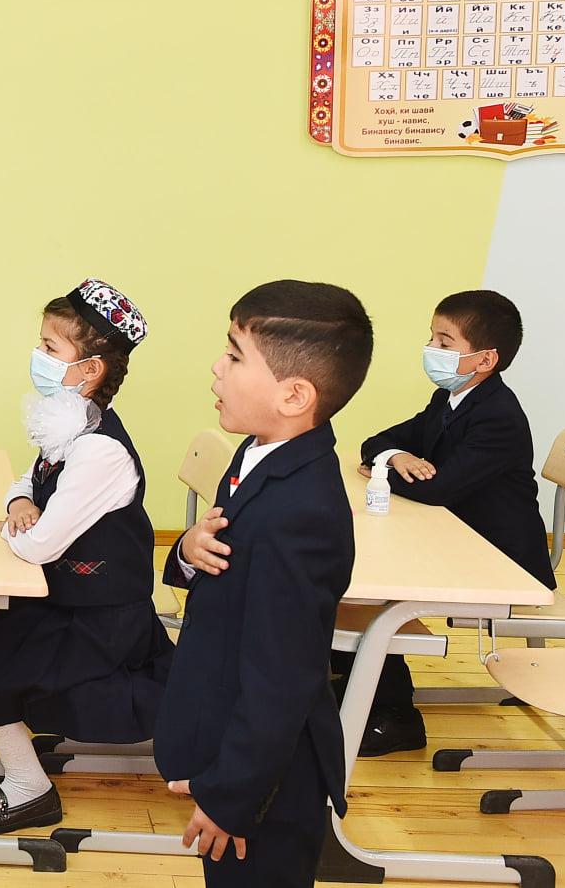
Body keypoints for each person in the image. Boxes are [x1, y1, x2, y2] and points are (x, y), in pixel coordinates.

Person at [0, 280, 172, 833]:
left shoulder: (100, 450)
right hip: (65, 595)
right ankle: (17, 762)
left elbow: (40, 544)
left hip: (98, 618)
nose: (38, 355)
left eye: (50, 347)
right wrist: (19, 503)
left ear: (90, 370)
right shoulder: (69, 422)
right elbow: (28, 480)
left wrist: (15, 529)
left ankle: (28, 787)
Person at [159, 281, 374, 886]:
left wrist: (233, 796)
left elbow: (283, 678)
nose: (216, 367)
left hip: (269, 783)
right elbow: (224, 567)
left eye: (234, 356)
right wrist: (187, 551)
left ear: (294, 395)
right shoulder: (261, 452)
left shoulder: (302, 512)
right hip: (227, 734)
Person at [341, 289, 557, 755]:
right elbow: (376, 441)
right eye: (432, 338)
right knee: (357, 571)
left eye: (444, 342)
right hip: (458, 539)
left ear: (485, 359)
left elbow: (436, 490)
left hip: (501, 560)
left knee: (379, 588)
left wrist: (382, 471)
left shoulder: (498, 417)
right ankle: (353, 678)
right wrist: (394, 457)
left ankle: (395, 717)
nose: (431, 349)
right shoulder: (449, 398)